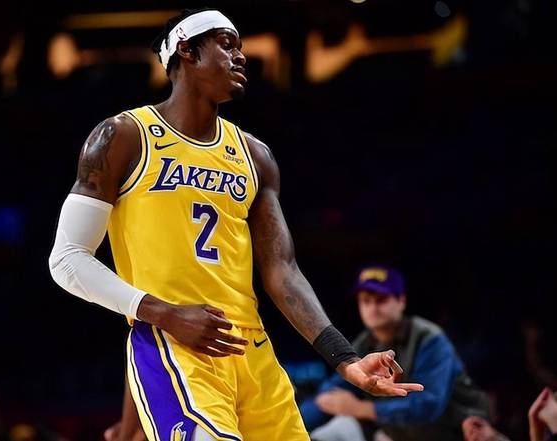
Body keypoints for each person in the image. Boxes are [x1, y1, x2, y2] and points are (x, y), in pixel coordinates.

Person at [48, 9, 423, 441]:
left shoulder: (255, 155)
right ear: (187, 51)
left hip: (253, 349)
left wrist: (346, 359)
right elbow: (67, 259)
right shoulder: (125, 136)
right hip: (176, 341)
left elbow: (282, 271)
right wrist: (164, 313)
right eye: (227, 44)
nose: (241, 56)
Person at [300, 265, 488, 441]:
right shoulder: (365, 342)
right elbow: (330, 393)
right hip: (400, 435)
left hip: (458, 434)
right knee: (334, 427)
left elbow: (428, 405)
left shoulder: (429, 339)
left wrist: (361, 408)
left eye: (381, 300)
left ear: (401, 301)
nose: (373, 308)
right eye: (365, 301)